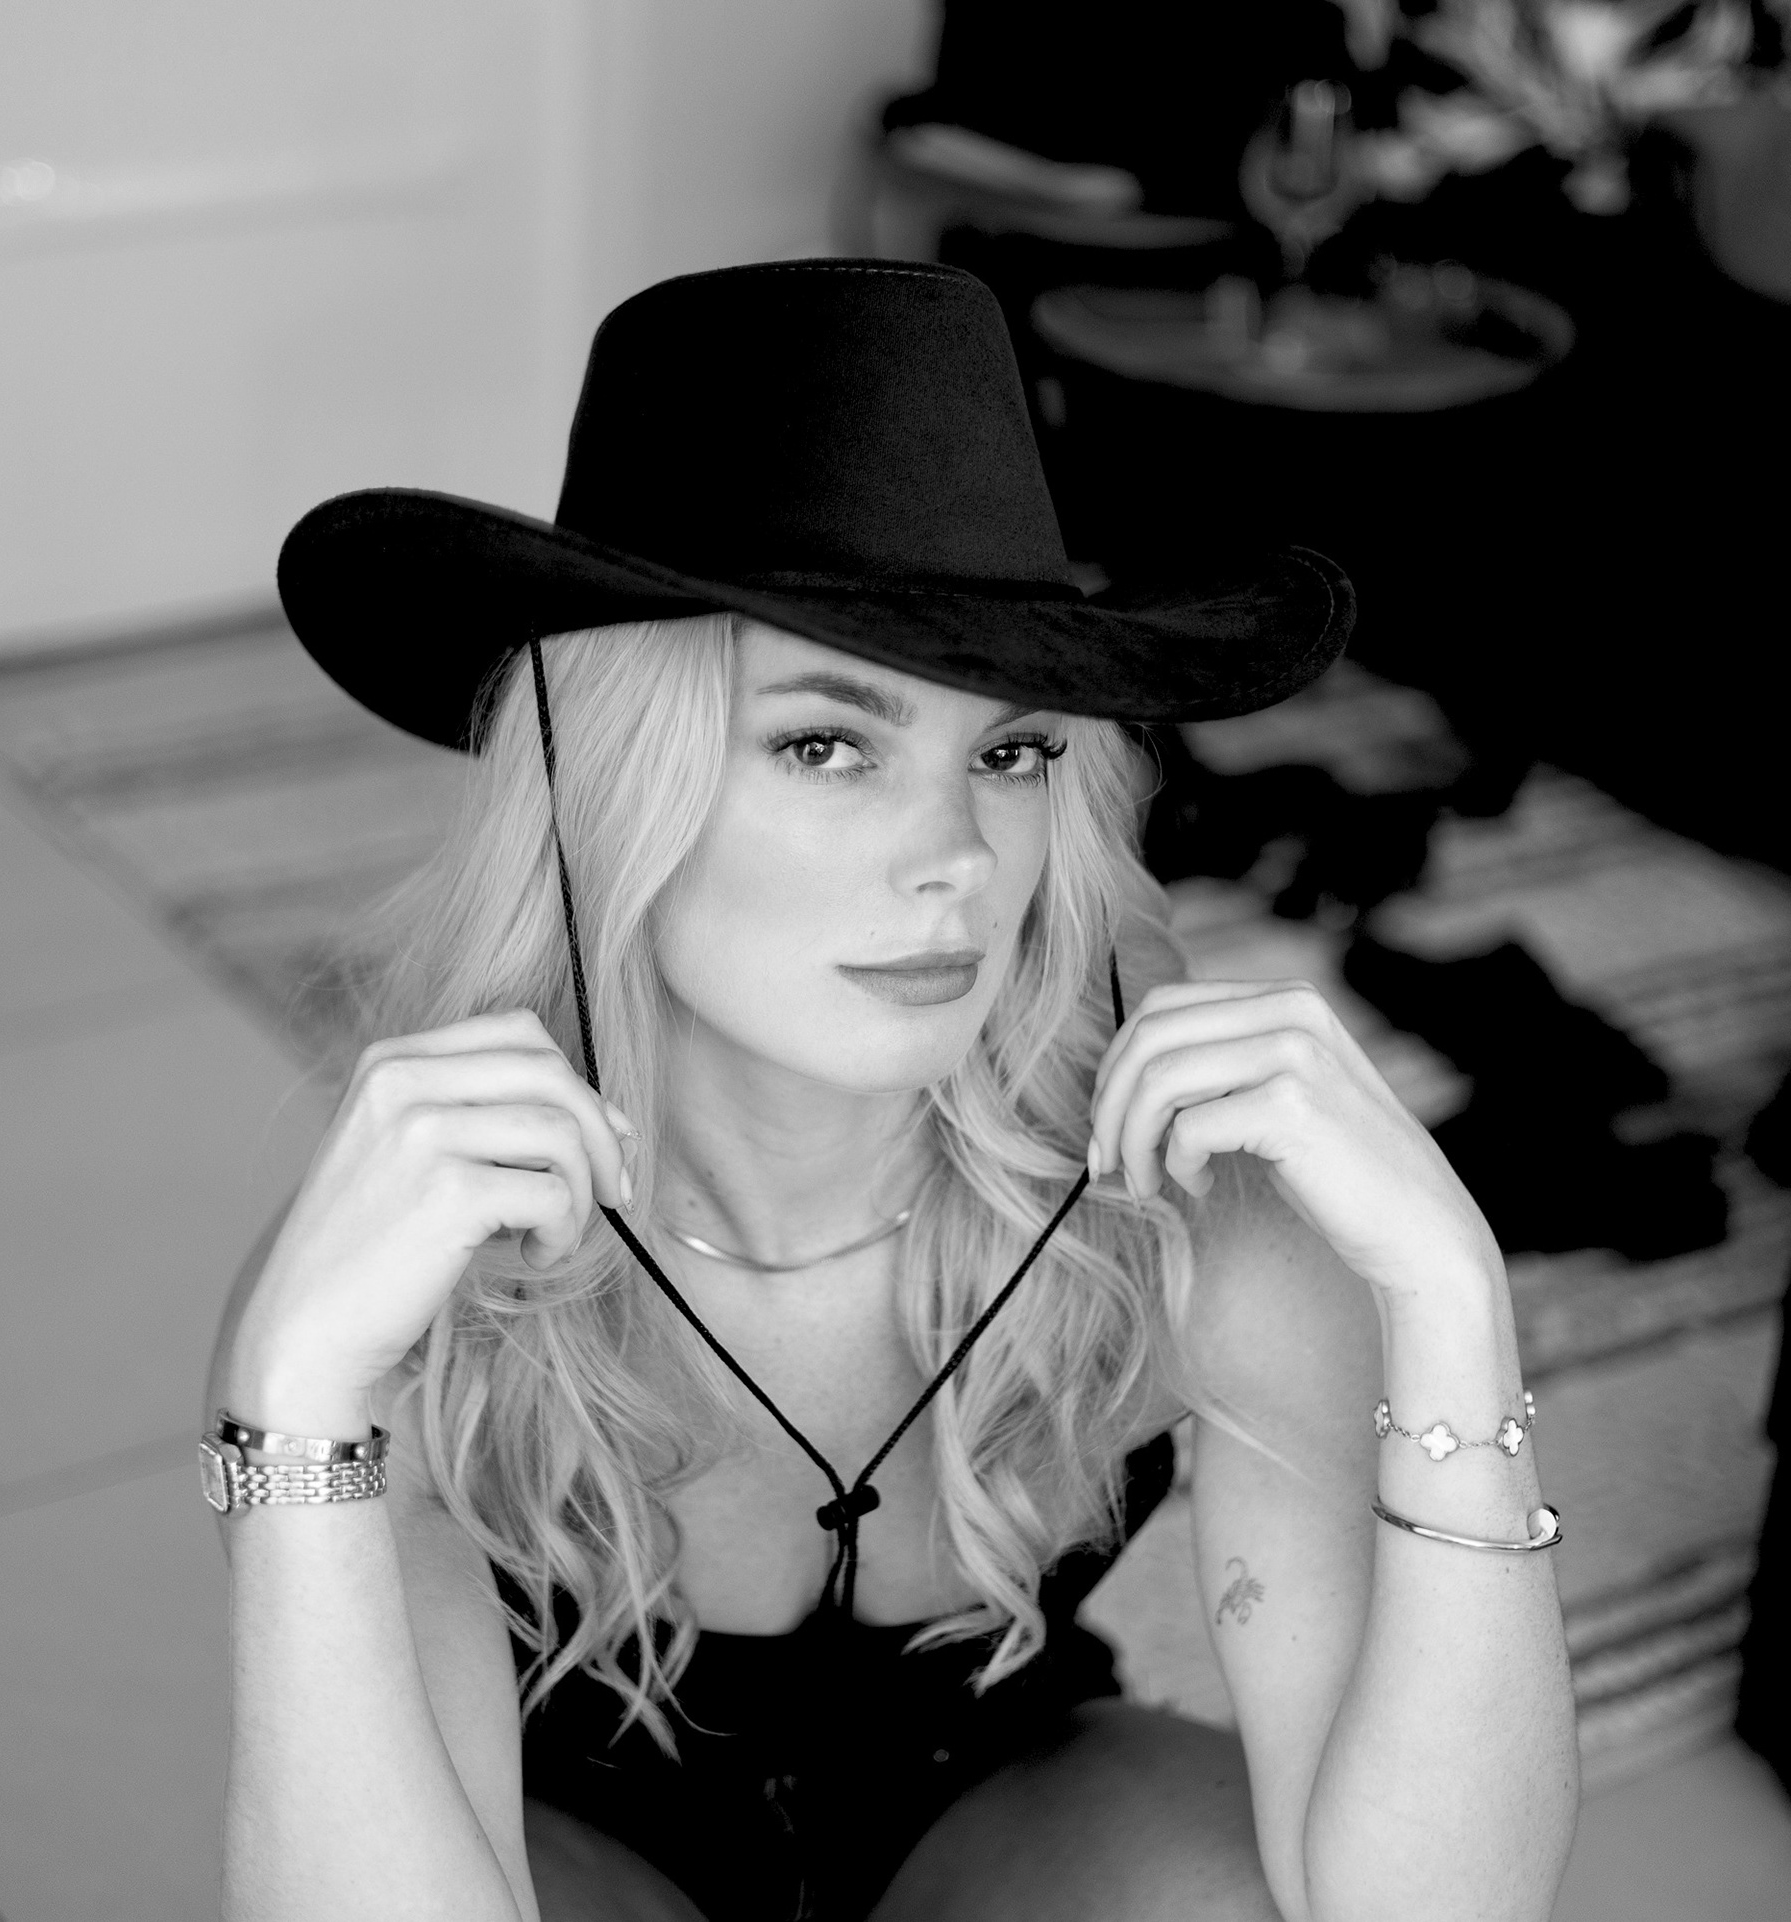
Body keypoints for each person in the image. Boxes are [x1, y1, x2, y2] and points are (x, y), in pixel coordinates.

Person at [206, 261, 1578, 1922]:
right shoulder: (416, 1263)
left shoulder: (1178, 1200)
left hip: (1002, 1788)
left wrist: (1453, 1300)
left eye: (1009, 752)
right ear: (605, 783)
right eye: (827, 744)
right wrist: (292, 1404)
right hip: (545, 1831)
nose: (956, 861)